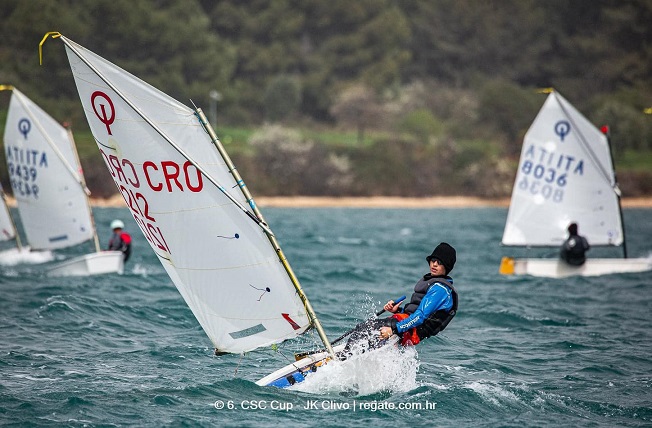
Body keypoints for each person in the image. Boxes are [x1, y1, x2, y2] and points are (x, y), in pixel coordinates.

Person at [338, 242, 458, 359]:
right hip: (407, 325)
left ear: (446, 266)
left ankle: (343, 358)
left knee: (364, 328)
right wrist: (397, 310)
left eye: (439, 262)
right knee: (366, 331)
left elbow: (420, 316)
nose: (434, 264)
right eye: (433, 260)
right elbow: (417, 312)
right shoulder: (435, 284)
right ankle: (350, 354)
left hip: (411, 330)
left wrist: (393, 329)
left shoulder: (440, 289)